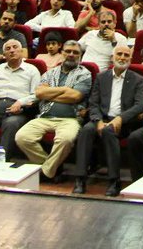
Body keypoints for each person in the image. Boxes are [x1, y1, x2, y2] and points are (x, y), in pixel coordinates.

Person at [72, 45, 143, 196]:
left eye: (126, 55)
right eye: (119, 54)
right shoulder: (101, 77)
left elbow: (139, 105)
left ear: (131, 59)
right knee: (86, 130)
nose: (122, 57)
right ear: (113, 57)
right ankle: (80, 178)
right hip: (102, 118)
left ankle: (114, 180)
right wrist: (98, 120)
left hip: (124, 122)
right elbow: (93, 103)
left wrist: (120, 118)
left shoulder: (138, 79)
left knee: (108, 131)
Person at [16, 40, 93, 182]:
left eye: (75, 52)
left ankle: (45, 173)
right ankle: (53, 168)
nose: (71, 54)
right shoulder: (50, 73)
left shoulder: (84, 74)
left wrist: (50, 93)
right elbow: (39, 94)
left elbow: (75, 96)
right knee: (22, 137)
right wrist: (64, 90)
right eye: (68, 51)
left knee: (65, 139)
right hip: (44, 116)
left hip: (70, 119)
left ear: (80, 56)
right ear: (62, 53)